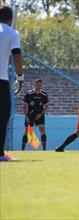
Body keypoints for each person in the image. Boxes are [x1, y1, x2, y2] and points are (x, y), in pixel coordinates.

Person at [0, 6, 24, 161]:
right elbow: (16, 56)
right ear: (11, 19)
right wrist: (20, 78)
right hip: (1, 80)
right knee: (3, 116)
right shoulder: (12, 33)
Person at [21, 79, 49, 151]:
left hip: (39, 115)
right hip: (30, 115)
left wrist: (40, 114)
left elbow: (46, 107)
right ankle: (22, 150)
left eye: (40, 85)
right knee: (27, 131)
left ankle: (44, 149)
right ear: (34, 85)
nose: (39, 86)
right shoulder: (29, 94)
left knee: (42, 129)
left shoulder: (44, 94)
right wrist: (26, 116)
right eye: (37, 85)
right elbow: (24, 106)